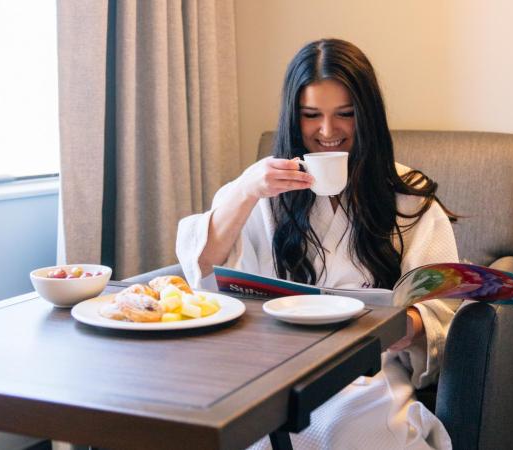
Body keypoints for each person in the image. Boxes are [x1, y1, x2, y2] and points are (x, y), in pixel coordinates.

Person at [176, 38, 459, 450]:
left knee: (340, 431)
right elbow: (202, 271)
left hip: (365, 373)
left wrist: (405, 327)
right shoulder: (262, 188)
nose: (327, 132)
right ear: (294, 117)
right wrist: (245, 191)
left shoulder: (407, 193)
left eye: (345, 115)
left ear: (368, 117)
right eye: (311, 116)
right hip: (270, 370)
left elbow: (441, 301)